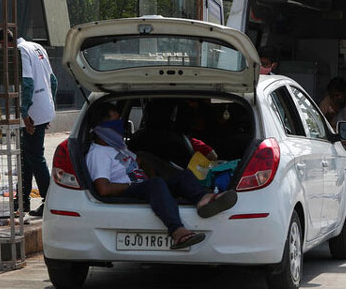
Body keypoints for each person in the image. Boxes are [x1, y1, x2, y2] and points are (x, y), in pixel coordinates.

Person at [85, 102, 237, 249]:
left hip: (145, 186)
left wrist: (149, 175)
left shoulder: (118, 147)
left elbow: (140, 161)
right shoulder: (98, 154)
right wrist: (138, 185)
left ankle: (202, 199)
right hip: (127, 191)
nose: (120, 124)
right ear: (101, 128)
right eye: (115, 121)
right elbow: (103, 189)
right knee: (156, 184)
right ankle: (177, 231)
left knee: (183, 176)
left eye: (120, 120)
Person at [0, 29, 57, 217]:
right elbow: (53, 81)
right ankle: (22, 201)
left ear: (4, 44)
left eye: (0, 49)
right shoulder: (36, 47)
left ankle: (49, 202)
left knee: (35, 157)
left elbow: (27, 83)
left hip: (32, 111)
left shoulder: (20, 51)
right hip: (42, 108)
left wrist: (25, 113)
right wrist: (49, 106)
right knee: (26, 157)